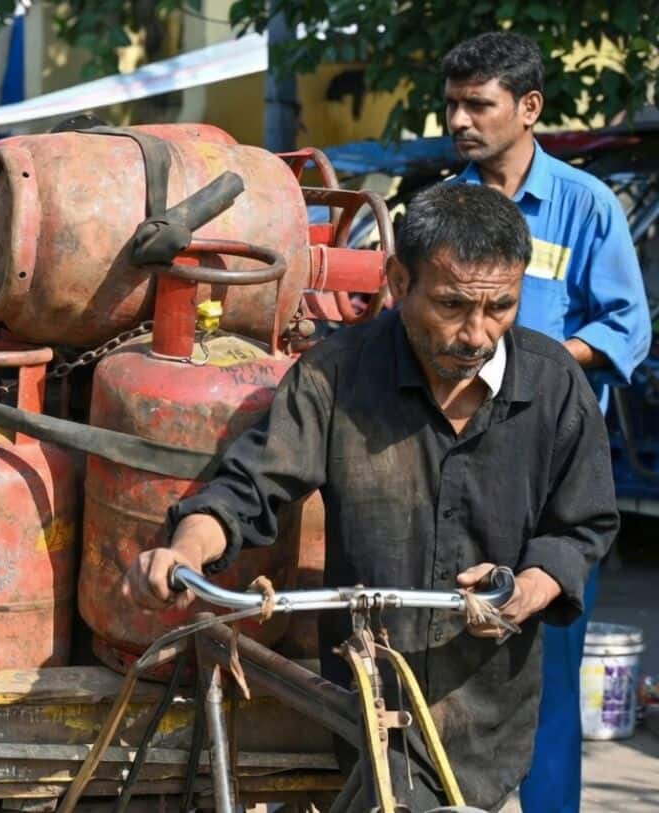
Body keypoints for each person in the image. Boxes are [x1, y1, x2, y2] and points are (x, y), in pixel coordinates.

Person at [124, 183, 618, 811]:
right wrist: (185, 551)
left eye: (501, 308)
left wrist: (531, 588)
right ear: (397, 281)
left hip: (489, 706)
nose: (477, 334)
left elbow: (583, 525)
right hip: (367, 697)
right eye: (452, 305)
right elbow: (251, 487)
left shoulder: (553, 385)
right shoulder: (335, 376)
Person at [442, 32, 651, 812]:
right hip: (453, 461)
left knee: (550, 678)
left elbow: (626, 328)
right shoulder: (442, 210)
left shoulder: (585, 205)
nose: (460, 119)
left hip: (557, 478)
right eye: (453, 103)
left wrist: (526, 359)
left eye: (478, 104)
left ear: (529, 108)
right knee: (449, 662)